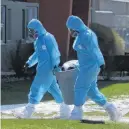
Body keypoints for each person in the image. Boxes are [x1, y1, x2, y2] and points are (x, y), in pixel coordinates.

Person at [66, 15, 121, 121]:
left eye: (71, 28)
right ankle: (111, 109)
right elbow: (84, 53)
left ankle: (77, 112)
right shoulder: (81, 35)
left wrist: (101, 62)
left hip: (91, 66)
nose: (70, 31)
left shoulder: (87, 35)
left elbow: (95, 50)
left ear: (76, 26)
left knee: (80, 87)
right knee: (92, 91)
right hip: (85, 66)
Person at [14, 19, 70, 119]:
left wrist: (55, 66)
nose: (31, 32)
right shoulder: (38, 41)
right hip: (43, 69)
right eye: (30, 30)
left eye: (32, 30)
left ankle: (28, 112)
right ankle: (65, 110)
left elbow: (55, 53)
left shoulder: (48, 38)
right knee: (54, 90)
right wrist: (29, 63)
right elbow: (37, 54)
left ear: (37, 28)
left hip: (48, 69)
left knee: (36, 88)